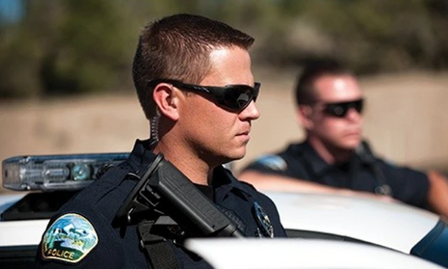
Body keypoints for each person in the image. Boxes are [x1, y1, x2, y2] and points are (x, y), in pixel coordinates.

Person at [35, 14, 286, 269]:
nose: (253, 111)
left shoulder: (255, 208)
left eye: (253, 93)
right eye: (236, 96)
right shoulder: (100, 224)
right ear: (168, 100)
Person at [239, 59, 448, 228]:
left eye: (358, 106)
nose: (354, 117)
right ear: (306, 116)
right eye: (339, 109)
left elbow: (433, 183)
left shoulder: (369, 167)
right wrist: (351, 199)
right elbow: (250, 181)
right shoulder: (293, 166)